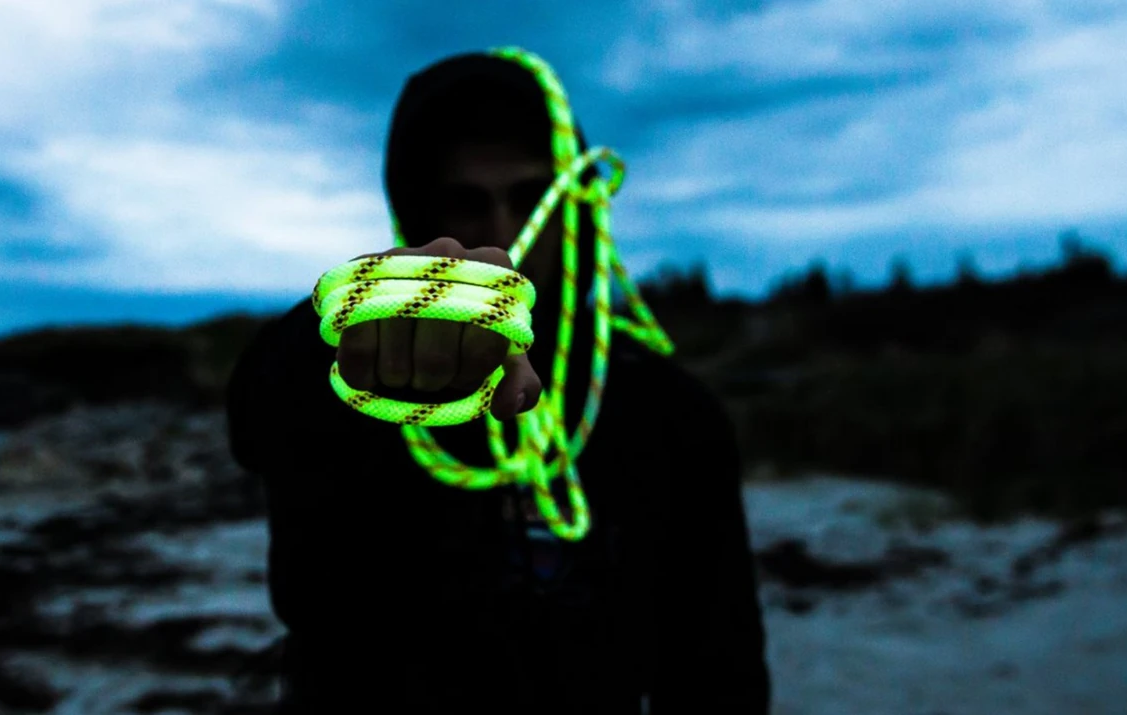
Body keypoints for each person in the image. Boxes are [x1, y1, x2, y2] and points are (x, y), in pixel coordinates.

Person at [226, 50, 770, 714]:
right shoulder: (349, 381)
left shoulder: (670, 414)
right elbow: (259, 415)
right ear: (417, 211)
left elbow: (718, 666)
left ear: (574, 206)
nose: (504, 240)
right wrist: (346, 338)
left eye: (529, 197)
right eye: (467, 202)